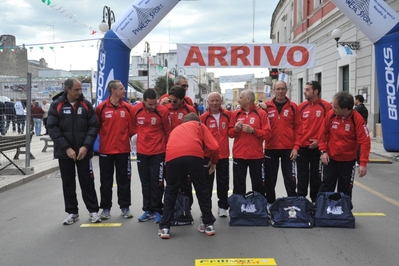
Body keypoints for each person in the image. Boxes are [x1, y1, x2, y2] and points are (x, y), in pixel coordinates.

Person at [47, 78, 101, 225]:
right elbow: (52, 128)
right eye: (76, 89)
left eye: (80, 89)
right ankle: (72, 212)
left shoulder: (86, 105)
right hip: (65, 153)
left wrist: (86, 146)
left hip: (84, 152)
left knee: (87, 182)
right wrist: (67, 148)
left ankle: (93, 211)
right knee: (68, 183)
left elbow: (93, 127)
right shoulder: (56, 105)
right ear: (67, 89)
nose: (79, 92)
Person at [158, 113, 219, 239]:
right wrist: (213, 162)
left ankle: (165, 227)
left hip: (172, 157)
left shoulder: (176, 130)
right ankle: (208, 224)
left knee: (171, 190)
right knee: (201, 189)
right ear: (197, 121)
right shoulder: (199, 125)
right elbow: (214, 146)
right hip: (194, 155)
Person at [318, 91, 371, 199]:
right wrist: (323, 151)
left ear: (346, 108)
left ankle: (344, 210)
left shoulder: (357, 119)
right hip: (331, 158)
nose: (333, 109)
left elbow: (365, 141)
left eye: (336, 107)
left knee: (345, 187)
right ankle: (322, 208)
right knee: (326, 184)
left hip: (348, 160)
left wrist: (363, 162)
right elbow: (322, 135)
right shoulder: (331, 115)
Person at [96, 80, 135, 220]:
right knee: (105, 181)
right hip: (106, 151)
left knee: (124, 180)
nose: (124, 91)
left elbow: (133, 128)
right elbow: (97, 127)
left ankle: (125, 207)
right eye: (121, 88)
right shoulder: (101, 108)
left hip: (123, 151)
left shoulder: (128, 108)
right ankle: (105, 208)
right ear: (113, 90)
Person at [131, 89, 171, 223]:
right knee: (145, 182)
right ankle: (147, 210)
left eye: (155, 104)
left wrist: (167, 151)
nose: (153, 107)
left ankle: (158, 209)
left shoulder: (163, 111)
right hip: (142, 153)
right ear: (143, 101)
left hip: (158, 152)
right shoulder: (135, 110)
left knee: (157, 182)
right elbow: (132, 128)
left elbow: (167, 131)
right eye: (150, 104)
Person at [260, 81, 301, 206]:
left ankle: (292, 203)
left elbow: (299, 129)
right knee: (269, 179)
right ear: (273, 90)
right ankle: (270, 203)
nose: (280, 91)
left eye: (283, 89)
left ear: (286, 90)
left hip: (289, 149)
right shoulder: (266, 107)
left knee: (290, 178)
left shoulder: (293, 107)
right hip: (270, 148)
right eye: (278, 89)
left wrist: (296, 148)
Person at [228, 89, 271, 196]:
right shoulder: (235, 114)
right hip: (239, 155)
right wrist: (236, 130)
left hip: (256, 156)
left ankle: (259, 209)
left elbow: (268, 134)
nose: (238, 100)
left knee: (258, 185)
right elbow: (230, 133)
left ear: (248, 99)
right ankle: (238, 209)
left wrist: (253, 131)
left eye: (240, 98)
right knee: (238, 185)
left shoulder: (261, 113)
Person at [296, 81, 332, 203]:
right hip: (303, 147)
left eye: (307, 89)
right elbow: (296, 127)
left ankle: (315, 200)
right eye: (304, 89)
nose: (304, 92)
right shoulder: (301, 107)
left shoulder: (326, 106)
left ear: (315, 91)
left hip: (318, 147)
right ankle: (301, 199)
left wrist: (320, 142)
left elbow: (330, 128)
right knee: (302, 175)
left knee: (316, 175)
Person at [200, 92, 232, 217]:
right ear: (208, 102)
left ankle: (222, 206)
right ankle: (206, 210)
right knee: (206, 184)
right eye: (212, 101)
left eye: (217, 100)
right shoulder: (203, 118)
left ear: (221, 101)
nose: (214, 103)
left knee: (223, 183)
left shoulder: (228, 115)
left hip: (223, 155)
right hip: (207, 156)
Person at [164, 86, 197, 206]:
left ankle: (186, 207)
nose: (172, 103)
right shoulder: (165, 109)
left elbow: (196, 130)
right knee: (171, 182)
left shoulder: (190, 111)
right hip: (170, 150)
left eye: (175, 101)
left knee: (186, 182)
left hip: (185, 151)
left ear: (182, 99)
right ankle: (173, 207)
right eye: (170, 100)